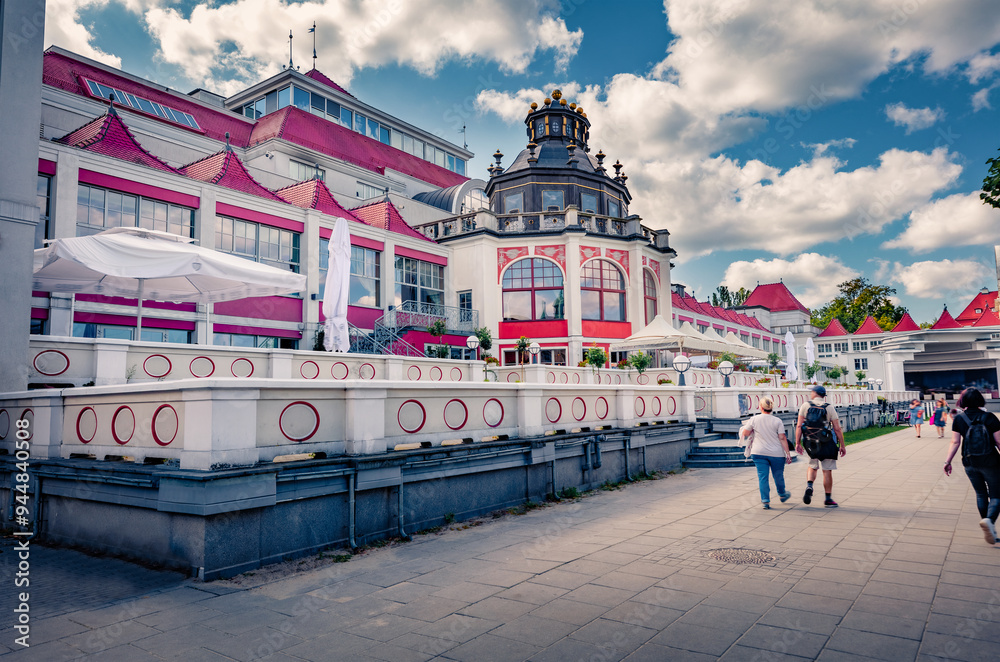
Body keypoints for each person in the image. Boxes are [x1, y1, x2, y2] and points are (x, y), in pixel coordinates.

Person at [944, 387, 1000, 545]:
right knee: (996, 495)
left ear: (963, 401)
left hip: (969, 462)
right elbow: (999, 441)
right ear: (980, 400)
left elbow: (955, 442)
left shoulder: (959, 419)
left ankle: (987, 524)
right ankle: (989, 522)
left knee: (981, 494)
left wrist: (947, 462)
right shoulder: (989, 417)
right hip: (991, 462)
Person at [795, 384, 846, 507]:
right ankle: (828, 499)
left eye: (812, 391)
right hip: (826, 442)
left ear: (815, 393)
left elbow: (798, 426)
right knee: (827, 470)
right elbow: (837, 428)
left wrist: (797, 443)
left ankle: (809, 485)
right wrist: (842, 445)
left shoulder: (805, 405)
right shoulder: (829, 408)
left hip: (811, 442)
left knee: (812, 465)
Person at [740, 396, 792, 509]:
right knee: (778, 476)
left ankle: (765, 501)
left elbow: (746, 433)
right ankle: (782, 494)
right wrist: (788, 453)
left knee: (762, 477)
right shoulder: (777, 421)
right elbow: (782, 438)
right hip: (776, 453)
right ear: (771, 408)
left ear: (760, 407)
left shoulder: (754, 419)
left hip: (759, 452)